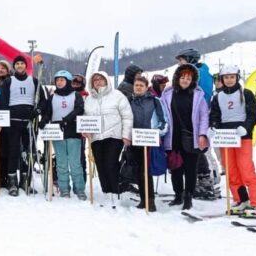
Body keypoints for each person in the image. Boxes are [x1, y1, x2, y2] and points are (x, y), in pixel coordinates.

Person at [208, 65, 256, 217]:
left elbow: (254, 114)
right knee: (231, 171)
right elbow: (214, 115)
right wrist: (213, 126)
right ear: (222, 79)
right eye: (226, 77)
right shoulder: (217, 97)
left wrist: (246, 127)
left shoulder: (246, 93)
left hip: (242, 136)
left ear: (237, 78)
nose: (229, 80)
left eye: (232, 77)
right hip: (226, 138)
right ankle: (241, 200)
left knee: (246, 170)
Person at [161, 63, 209, 210]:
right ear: (177, 78)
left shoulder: (198, 95)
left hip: (191, 137)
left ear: (193, 80)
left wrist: (202, 135)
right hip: (173, 137)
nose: (185, 80)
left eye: (189, 78)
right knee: (175, 168)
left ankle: (188, 197)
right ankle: (178, 195)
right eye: (183, 77)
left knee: (190, 169)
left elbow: (203, 117)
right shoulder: (168, 94)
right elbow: (162, 115)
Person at [82, 71, 133, 206]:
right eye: (95, 80)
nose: (98, 81)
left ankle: (115, 192)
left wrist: (126, 135)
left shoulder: (117, 96)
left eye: (101, 79)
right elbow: (85, 118)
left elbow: (127, 116)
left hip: (114, 136)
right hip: (96, 138)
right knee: (100, 165)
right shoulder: (89, 100)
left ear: (106, 80)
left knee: (111, 163)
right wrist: (85, 129)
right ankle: (106, 192)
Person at [0, 56, 45, 196]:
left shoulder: (34, 81)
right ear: (14, 66)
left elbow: (42, 101)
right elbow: (3, 101)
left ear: (26, 66)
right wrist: (4, 120)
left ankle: (25, 181)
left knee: (28, 153)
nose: (19, 66)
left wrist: (37, 111)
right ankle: (12, 182)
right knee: (13, 152)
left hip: (29, 123)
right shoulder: (8, 81)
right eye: (17, 64)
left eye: (22, 63)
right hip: (13, 121)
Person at [176, 49, 218, 200]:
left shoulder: (200, 73)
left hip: (198, 117)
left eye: (181, 60)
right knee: (194, 150)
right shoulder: (196, 72)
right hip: (191, 117)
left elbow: (202, 96)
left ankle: (206, 181)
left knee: (199, 150)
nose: (179, 63)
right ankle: (203, 180)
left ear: (190, 59)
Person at [40, 70, 85, 199]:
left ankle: (79, 188)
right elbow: (48, 112)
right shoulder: (52, 96)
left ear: (68, 82)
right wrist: (44, 119)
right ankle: (64, 188)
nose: (59, 82)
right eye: (57, 80)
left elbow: (79, 109)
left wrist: (68, 118)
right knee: (61, 162)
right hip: (57, 132)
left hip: (72, 131)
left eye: (62, 80)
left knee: (75, 162)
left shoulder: (76, 95)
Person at [128, 76, 168, 212]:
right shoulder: (129, 101)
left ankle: (150, 200)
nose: (138, 87)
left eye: (141, 85)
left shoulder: (154, 101)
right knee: (138, 172)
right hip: (134, 141)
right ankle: (142, 199)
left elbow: (164, 121)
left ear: (146, 87)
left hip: (149, 141)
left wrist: (157, 133)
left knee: (147, 171)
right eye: (136, 85)